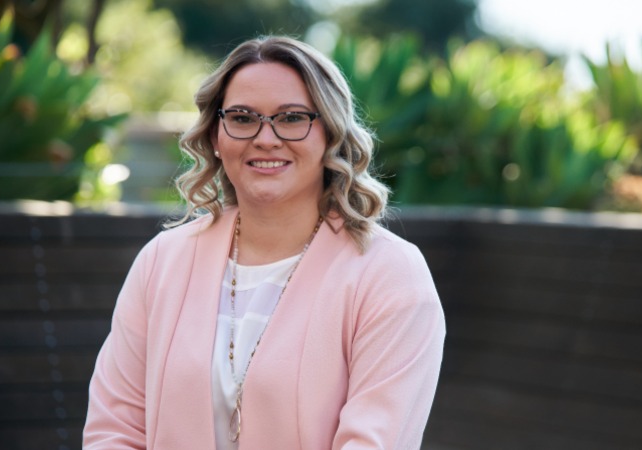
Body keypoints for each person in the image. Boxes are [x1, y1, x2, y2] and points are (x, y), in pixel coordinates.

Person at [83, 35, 445, 449]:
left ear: (329, 132)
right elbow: (114, 429)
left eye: (291, 118)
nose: (265, 138)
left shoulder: (390, 274)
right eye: (242, 117)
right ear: (216, 135)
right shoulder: (162, 262)